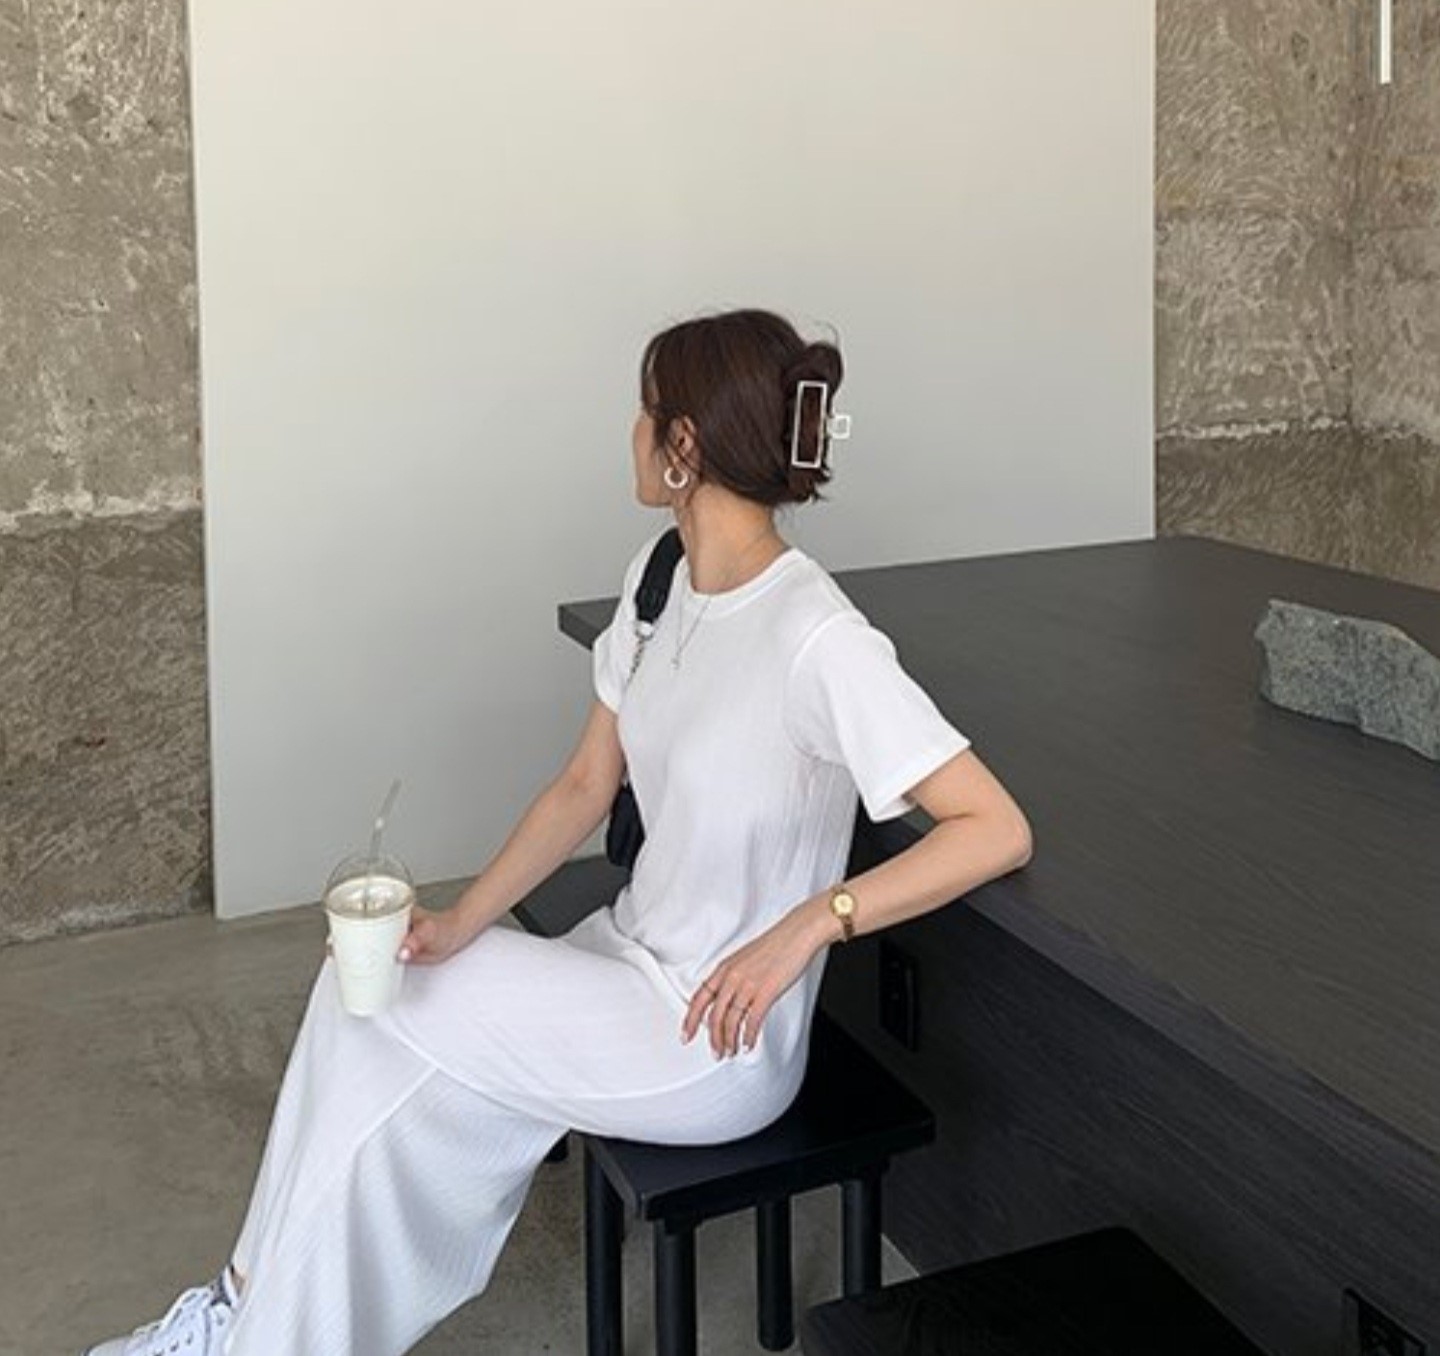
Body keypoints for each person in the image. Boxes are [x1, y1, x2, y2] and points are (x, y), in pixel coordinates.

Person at [84, 308, 1034, 1356]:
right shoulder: (661, 578)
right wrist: (459, 923)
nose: (631, 431)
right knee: (366, 996)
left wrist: (812, 922)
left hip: (714, 1035)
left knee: (376, 1010)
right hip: (624, 959)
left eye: (645, 412)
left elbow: (993, 827)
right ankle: (243, 1313)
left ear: (682, 445)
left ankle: (247, 1333)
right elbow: (584, 784)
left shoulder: (816, 638)